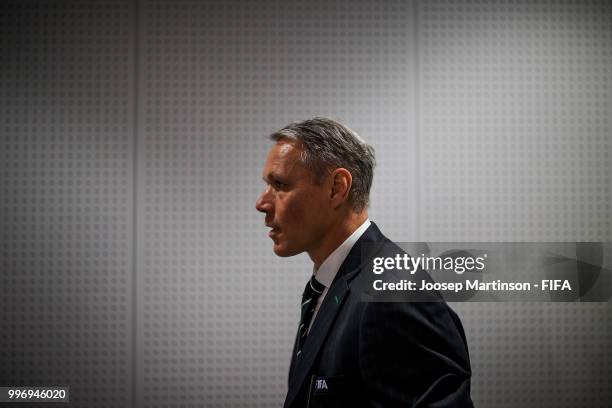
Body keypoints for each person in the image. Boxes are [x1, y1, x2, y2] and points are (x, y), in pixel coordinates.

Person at [255, 117, 472, 407]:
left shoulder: (393, 292)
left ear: (337, 188)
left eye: (280, 185)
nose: (262, 203)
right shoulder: (332, 285)